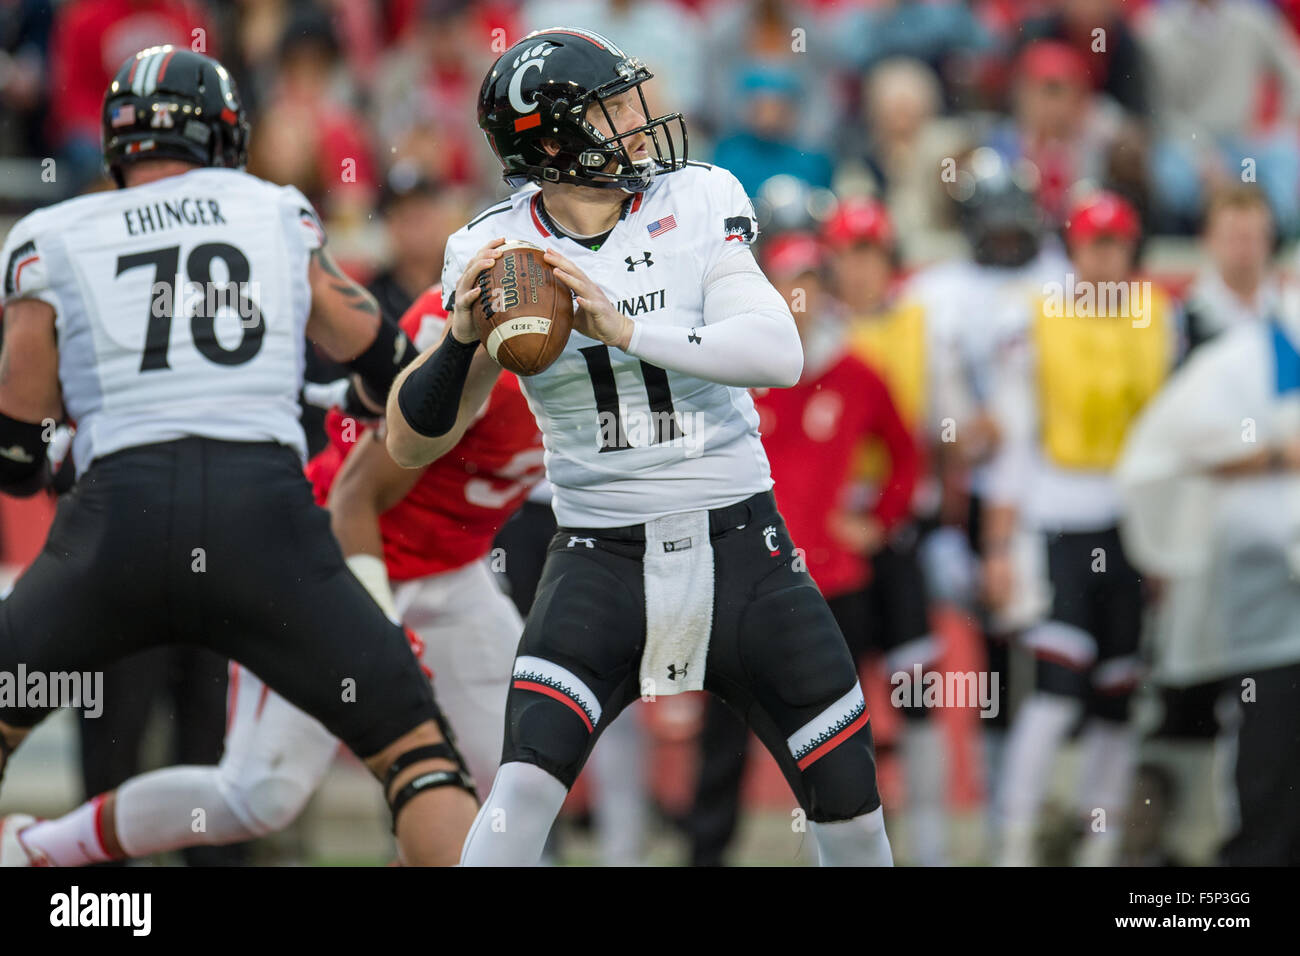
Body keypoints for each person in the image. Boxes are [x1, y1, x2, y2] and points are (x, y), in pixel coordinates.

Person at [387, 27, 893, 867]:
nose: (640, 117)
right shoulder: (492, 251)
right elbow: (409, 443)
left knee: (852, 814)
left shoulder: (694, 198)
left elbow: (778, 353)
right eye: (613, 106)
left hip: (746, 549)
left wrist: (623, 326)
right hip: (600, 557)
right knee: (518, 797)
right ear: (551, 139)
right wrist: (459, 342)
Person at [0, 47, 475, 867]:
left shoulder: (52, 233)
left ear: (117, 141)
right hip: (264, 519)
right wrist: (366, 391)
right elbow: (382, 359)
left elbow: (14, 447)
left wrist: (57, 442)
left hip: (117, 523)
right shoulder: (274, 212)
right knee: (416, 755)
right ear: (224, 134)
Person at [1, 285, 543, 866]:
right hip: (337, 559)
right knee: (259, 797)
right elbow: (353, 497)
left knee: (525, 772)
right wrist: (380, 628)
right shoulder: (484, 340)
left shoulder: (623, 359)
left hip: (455, 572)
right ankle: (39, 850)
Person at [687, 230, 919, 866]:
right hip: (739, 577)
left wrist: (879, 522)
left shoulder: (855, 372)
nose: (798, 298)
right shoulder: (733, 367)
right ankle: (707, 856)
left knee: (838, 740)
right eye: (786, 284)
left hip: (831, 584)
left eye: (809, 284)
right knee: (723, 739)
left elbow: (906, 454)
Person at [983, 191, 1179, 866]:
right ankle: (1013, 844)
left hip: (1131, 520)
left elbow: (1170, 439)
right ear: (1073, 249)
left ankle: (1102, 845)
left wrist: (1169, 541)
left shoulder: (1158, 316)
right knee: (1058, 692)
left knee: (1118, 696)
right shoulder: (1035, 318)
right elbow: (1016, 439)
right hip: (1058, 519)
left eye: (1117, 242)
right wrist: (1000, 541)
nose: (1106, 256)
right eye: (1094, 243)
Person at [1116, 286, 1300, 866]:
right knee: (1265, 750)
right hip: (1262, 596)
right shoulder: (1244, 357)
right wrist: (1273, 453)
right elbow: (1165, 450)